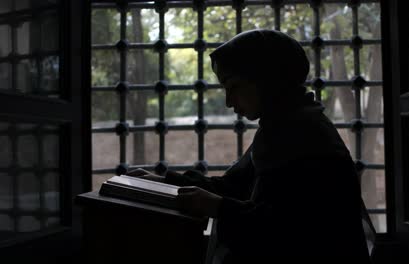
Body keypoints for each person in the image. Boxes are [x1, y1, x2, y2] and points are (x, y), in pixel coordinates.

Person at [128, 29, 371, 264]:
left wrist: (217, 207)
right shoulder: (284, 126)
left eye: (234, 87)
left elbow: (286, 233)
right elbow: (231, 186)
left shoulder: (303, 133)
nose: (228, 101)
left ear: (267, 79)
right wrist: (162, 183)